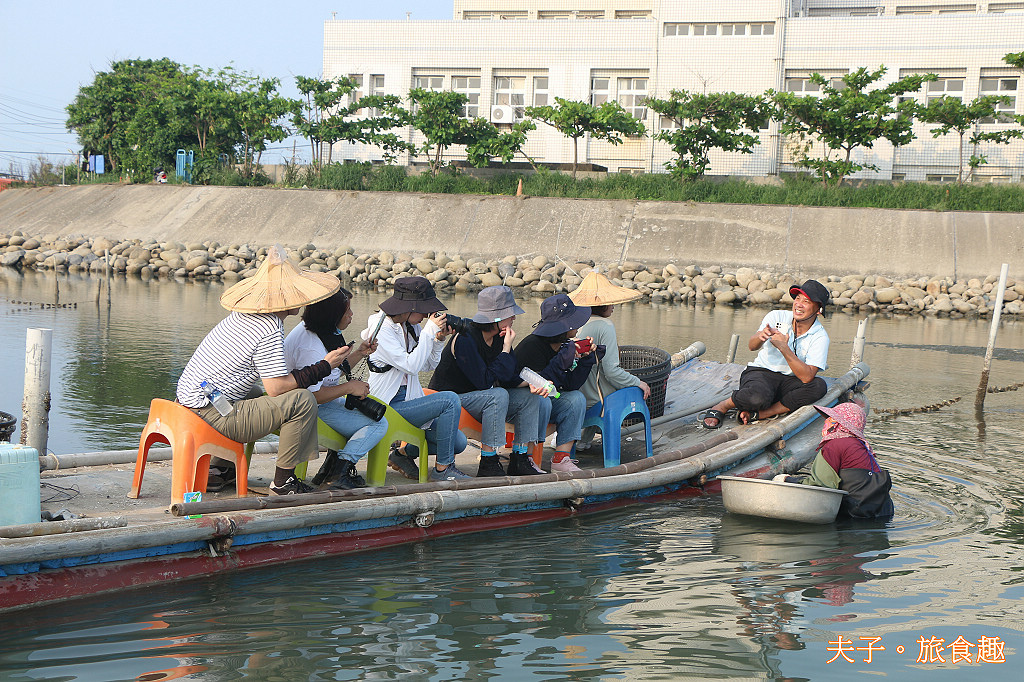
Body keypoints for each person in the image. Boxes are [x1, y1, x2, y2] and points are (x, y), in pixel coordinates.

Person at [176, 245, 347, 496]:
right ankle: (283, 482)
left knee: (255, 395)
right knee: (302, 400)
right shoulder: (268, 328)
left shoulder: (244, 315)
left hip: (193, 398)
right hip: (207, 409)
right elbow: (277, 387)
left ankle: (219, 470)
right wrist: (324, 366)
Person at [428, 286, 548, 477]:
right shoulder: (465, 338)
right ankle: (489, 461)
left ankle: (520, 458)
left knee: (529, 398)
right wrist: (506, 349)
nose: (514, 318)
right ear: (497, 318)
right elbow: (484, 382)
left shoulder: (499, 338)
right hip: (451, 399)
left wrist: (530, 384)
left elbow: (509, 376)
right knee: (497, 395)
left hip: (480, 398)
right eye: (511, 314)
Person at [362, 276, 470, 481]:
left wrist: (438, 340)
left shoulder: (410, 326)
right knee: (449, 399)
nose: (426, 315)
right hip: (386, 404)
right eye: (424, 309)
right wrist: (429, 330)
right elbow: (410, 365)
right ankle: (443, 470)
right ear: (409, 307)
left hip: (409, 400)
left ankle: (401, 455)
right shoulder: (380, 328)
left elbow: (426, 365)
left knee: (459, 442)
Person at [283, 288, 384, 490]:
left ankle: (328, 470)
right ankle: (340, 473)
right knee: (378, 425)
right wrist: (349, 388)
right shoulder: (310, 345)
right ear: (332, 315)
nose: (351, 315)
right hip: (305, 407)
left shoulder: (318, 330)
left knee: (373, 414)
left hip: (314, 401)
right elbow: (311, 396)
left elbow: (330, 371)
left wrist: (360, 354)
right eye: (347, 311)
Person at [703, 280, 831, 429]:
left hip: (790, 381)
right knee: (757, 397)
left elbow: (807, 376)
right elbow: (752, 347)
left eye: (807, 301)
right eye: (797, 299)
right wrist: (760, 336)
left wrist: (784, 348)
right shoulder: (777, 316)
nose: (799, 304)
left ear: (818, 310)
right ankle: (724, 405)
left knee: (818, 386)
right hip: (761, 373)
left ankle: (763, 413)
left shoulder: (820, 336)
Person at [510, 293, 600, 473]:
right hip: (520, 403)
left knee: (576, 398)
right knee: (540, 400)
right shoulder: (532, 346)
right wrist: (562, 360)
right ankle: (525, 457)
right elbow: (540, 381)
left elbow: (569, 385)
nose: (578, 326)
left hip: (548, 399)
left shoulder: (564, 345)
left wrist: (585, 359)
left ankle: (561, 458)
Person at [777, 402, 894, 519]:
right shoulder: (862, 446)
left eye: (831, 419)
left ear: (839, 424)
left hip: (855, 514)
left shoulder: (834, 445)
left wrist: (789, 480)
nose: (826, 422)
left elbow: (821, 486)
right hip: (884, 511)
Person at [570, 270, 651, 408]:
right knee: (639, 389)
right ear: (602, 304)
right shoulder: (605, 325)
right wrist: (639, 383)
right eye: (610, 302)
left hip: (579, 394)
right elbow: (611, 372)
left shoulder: (577, 325)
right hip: (598, 399)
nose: (613, 306)